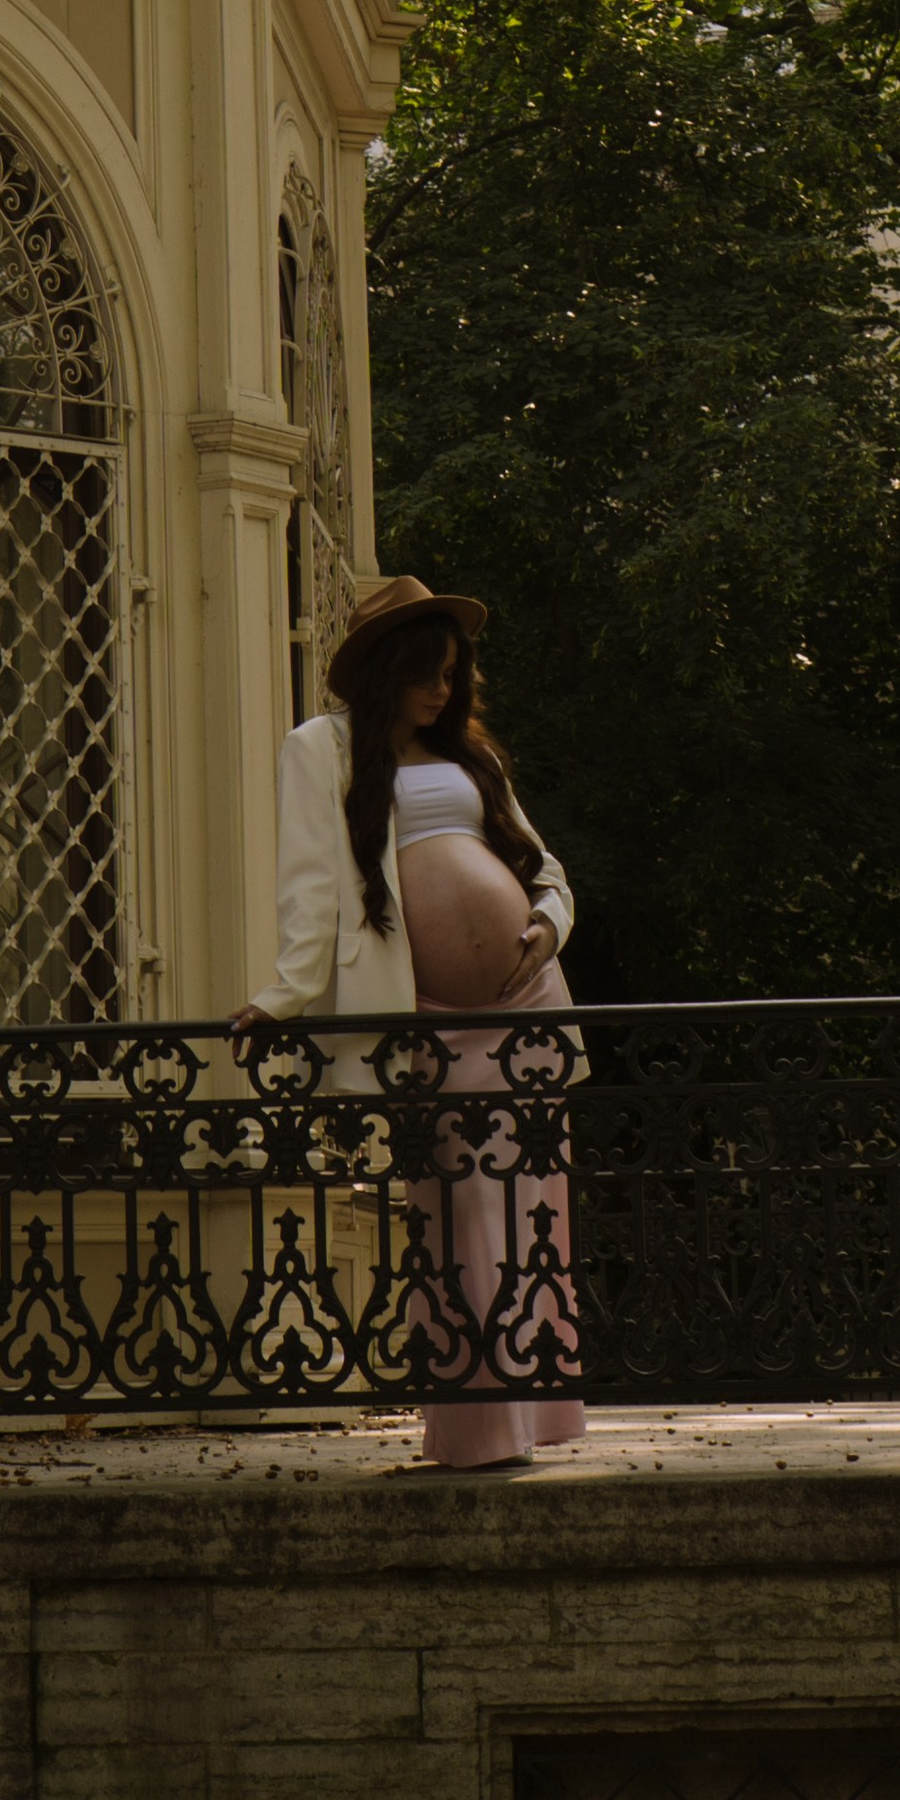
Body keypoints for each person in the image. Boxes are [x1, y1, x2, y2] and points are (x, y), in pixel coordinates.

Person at [235, 573, 588, 1469]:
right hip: (428, 1020)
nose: (441, 689)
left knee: (532, 1210)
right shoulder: (321, 749)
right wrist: (284, 996)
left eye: (452, 674)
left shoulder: (473, 757)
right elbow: (311, 885)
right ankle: (477, 1431)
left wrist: (546, 926)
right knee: (461, 1209)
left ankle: (533, 1418)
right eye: (426, 673)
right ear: (385, 670)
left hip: (524, 1010)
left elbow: (544, 868)